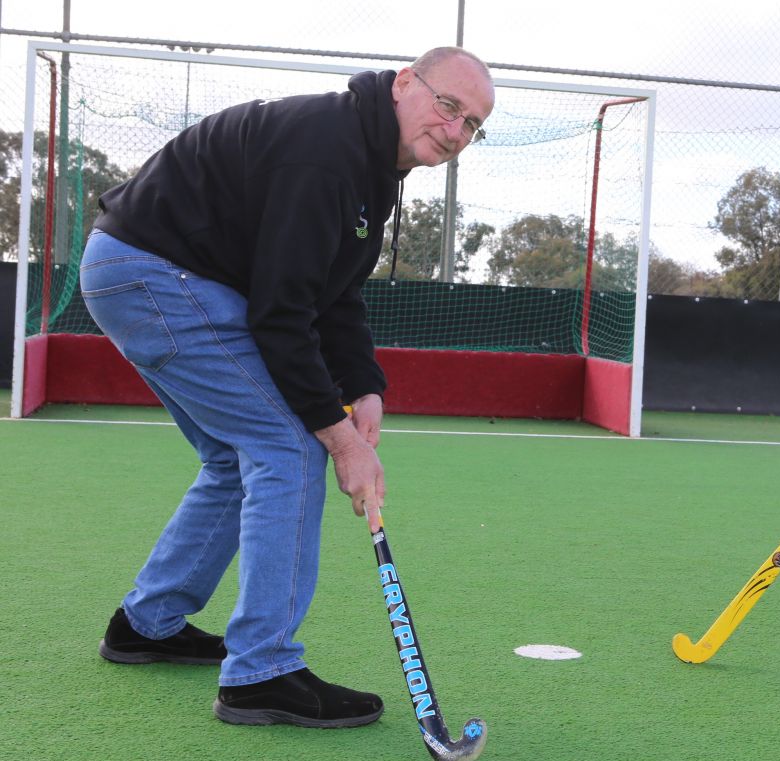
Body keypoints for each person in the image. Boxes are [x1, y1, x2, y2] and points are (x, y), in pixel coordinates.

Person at [82, 47, 495, 726]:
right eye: (448, 106)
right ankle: (262, 673)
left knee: (233, 458)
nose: (455, 132)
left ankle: (147, 623)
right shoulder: (328, 153)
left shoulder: (369, 162)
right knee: (291, 448)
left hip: (143, 272)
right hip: (157, 273)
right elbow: (280, 317)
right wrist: (341, 443)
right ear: (403, 85)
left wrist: (363, 388)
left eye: (472, 125)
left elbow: (331, 294)